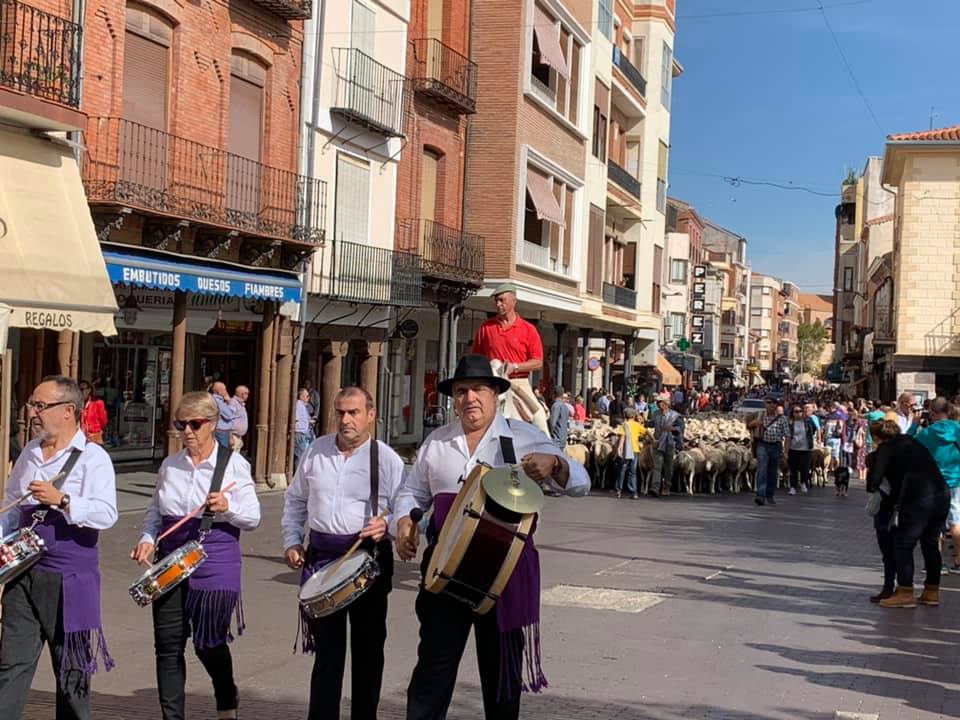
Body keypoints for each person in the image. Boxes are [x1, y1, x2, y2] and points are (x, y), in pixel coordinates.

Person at [395, 355, 588, 720]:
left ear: (495, 394)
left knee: (501, 683)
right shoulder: (436, 443)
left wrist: (556, 465)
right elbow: (411, 493)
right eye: (462, 391)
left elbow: (581, 482)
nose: (470, 398)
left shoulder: (525, 436)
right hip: (444, 575)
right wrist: (405, 522)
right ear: (454, 397)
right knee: (431, 676)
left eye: (478, 389)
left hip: (503, 577)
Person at [131, 391, 260, 720]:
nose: (187, 431)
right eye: (180, 424)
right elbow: (155, 511)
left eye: (195, 423)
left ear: (213, 424)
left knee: (208, 642)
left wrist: (228, 507)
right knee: (168, 644)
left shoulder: (233, 464)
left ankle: (226, 696)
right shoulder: (170, 465)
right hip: (172, 557)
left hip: (214, 555)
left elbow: (253, 517)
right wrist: (147, 538)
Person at [282, 387, 404, 720]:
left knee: (367, 653)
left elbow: (406, 505)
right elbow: (295, 500)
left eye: (353, 412)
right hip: (323, 560)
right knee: (327, 656)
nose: (345, 419)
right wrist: (292, 540)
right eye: (340, 412)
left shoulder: (386, 458)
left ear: (370, 415)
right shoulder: (316, 451)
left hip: (369, 560)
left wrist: (388, 523)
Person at [0, 375, 118, 720]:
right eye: (32, 404)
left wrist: (63, 500)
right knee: (11, 664)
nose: (33, 412)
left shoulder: (94, 458)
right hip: (24, 572)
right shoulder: (31, 451)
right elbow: (11, 505)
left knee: (71, 672)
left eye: (40, 405)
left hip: (69, 578)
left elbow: (107, 513)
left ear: (68, 411)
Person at [869, 419, 949, 608]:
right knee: (930, 543)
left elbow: (874, 480)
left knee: (903, 544)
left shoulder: (887, 448)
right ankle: (931, 591)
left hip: (918, 499)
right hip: (941, 494)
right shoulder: (913, 442)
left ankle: (905, 592)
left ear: (877, 438)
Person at [471, 284, 547, 433]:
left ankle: (549, 450)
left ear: (514, 301)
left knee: (539, 417)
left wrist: (515, 367)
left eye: (502, 300)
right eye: (496, 301)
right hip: (492, 382)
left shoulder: (528, 329)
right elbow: (476, 358)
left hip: (518, 382)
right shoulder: (486, 328)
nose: (498, 304)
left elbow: (538, 362)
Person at [915, 397, 960, 573]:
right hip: (957, 479)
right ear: (948, 411)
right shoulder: (957, 428)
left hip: (935, 481)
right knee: (956, 520)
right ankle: (958, 561)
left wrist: (914, 424)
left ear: (932, 412)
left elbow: (910, 445)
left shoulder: (928, 432)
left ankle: (937, 563)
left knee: (935, 522)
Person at [747, 397, 790, 506]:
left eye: (772, 403)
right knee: (762, 469)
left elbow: (788, 435)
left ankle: (769, 494)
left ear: (776, 405)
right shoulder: (760, 416)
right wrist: (755, 423)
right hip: (763, 445)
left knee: (773, 471)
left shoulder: (782, 419)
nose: (769, 405)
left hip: (776, 446)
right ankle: (760, 495)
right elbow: (748, 425)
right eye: (767, 403)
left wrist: (785, 451)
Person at [648, 398, 679, 498]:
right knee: (657, 466)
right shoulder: (655, 414)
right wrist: (644, 422)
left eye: (660, 402)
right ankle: (655, 488)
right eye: (658, 402)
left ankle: (666, 487)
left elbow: (681, 428)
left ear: (666, 405)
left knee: (669, 466)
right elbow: (652, 424)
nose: (658, 404)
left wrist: (673, 428)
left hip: (669, 443)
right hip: (658, 442)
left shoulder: (675, 415)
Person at [786, 403, 817, 495]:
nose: (798, 413)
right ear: (793, 413)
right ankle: (793, 487)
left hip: (805, 448)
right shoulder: (790, 423)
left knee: (804, 467)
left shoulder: (808, 421)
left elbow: (814, 429)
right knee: (793, 469)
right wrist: (786, 450)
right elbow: (788, 436)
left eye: (800, 411)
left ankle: (804, 482)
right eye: (796, 411)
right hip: (793, 448)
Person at [616, 408, 644, 499]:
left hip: (626, 451)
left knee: (622, 470)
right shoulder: (637, 425)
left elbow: (622, 437)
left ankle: (619, 491)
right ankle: (633, 492)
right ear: (633, 416)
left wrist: (619, 448)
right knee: (633, 471)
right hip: (635, 450)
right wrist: (654, 440)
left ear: (625, 416)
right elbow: (646, 432)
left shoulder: (624, 425)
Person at [78, 380, 108, 445]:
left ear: (89, 390)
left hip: (94, 436)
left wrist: (96, 430)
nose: (81, 391)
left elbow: (103, 421)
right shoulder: (77, 403)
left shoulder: (97, 403)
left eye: (83, 389)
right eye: (80, 389)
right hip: (81, 437)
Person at [210, 382, 235, 448]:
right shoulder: (218, 401)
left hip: (220, 432)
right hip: (221, 433)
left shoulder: (218, 400)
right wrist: (229, 401)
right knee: (222, 454)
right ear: (219, 391)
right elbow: (229, 415)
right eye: (224, 389)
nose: (226, 391)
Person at [294, 388, 313, 469]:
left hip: (302, 433)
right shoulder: (299, 405)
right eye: (307, 396)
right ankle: (297, 474)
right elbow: (295, 418)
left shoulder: (302, 406)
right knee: (300, 455)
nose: (308, 398)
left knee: (302, 454)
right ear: (301, 396)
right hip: (299, 433)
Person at [229, 385, 249, 451]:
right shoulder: (233, 403)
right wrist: (230, 436)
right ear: (241, 394)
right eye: (246, 393)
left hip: (238, 437)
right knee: (231, 458)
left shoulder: (241, 404)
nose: (247, 395)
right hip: (233, 436)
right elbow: (228, 419)